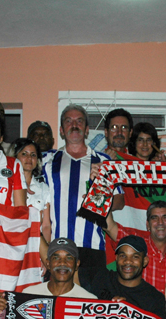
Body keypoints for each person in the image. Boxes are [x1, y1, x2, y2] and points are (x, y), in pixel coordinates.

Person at [42, 104, 124, 269]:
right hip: (58, 248)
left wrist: (98, 198)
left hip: (92, 247)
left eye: (79, 121)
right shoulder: (47, 161)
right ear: (61, 130)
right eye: (68, 121)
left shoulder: (104, 161)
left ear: (87, 130)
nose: (74, 125)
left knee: (91, 295)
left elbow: (120, 200)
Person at [104, 201, 166, 294]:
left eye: (165, 217)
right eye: (154, 218)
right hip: (139, 307)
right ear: (147, 225)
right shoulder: (134, 244)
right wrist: (100, 194)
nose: (160, 222)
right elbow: (109, 226)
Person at [14, 137, 52, 241]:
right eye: (24, 154)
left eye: (33, 155)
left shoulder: (43, 188)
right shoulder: (8, 184)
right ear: (15, 157)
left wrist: (46, 253)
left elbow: (46, 225)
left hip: (36, 244)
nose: (29, 158)